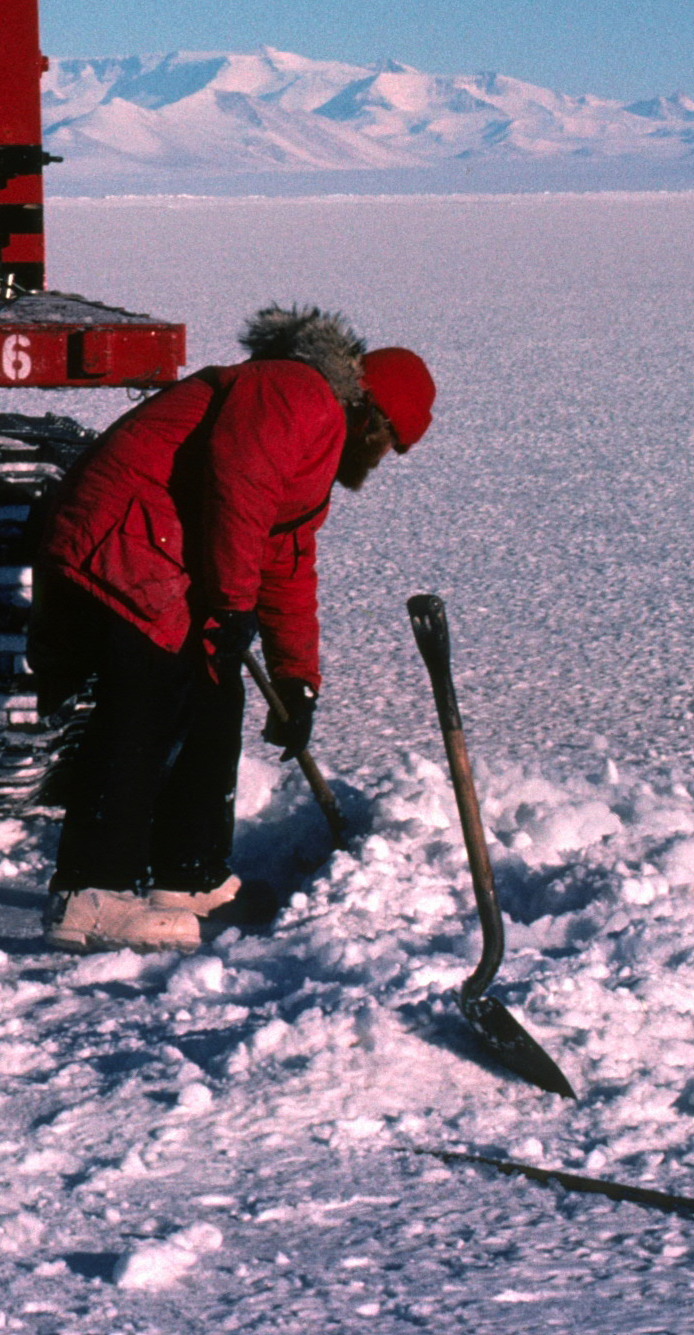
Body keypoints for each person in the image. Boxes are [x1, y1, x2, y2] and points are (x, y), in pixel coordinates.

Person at [28, 306, 436, 953]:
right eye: (392, 441)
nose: (385, 458)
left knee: (218, 690)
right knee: (147, 698)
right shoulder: (298, 392)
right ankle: (91, 894)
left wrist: (297, 680)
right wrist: (231, 602)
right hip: (123, 535)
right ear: (374, 415)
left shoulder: (316, 450)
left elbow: (288, 564)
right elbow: (238, 481)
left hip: (164, 550)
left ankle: (189, 877)